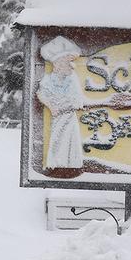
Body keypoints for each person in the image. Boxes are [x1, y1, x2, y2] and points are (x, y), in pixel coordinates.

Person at [36, 35, 87, 177]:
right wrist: (51, 106)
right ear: (57, 63)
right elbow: (41, 94)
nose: (72, 65)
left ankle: (72, 167)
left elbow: (77, 100)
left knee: (70, 140)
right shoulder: (48, 80)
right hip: (58, 116)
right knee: (57, 139)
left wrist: (72, 104)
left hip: (69, 116)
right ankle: (57, 165)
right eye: (67, 62)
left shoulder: (72, 79)